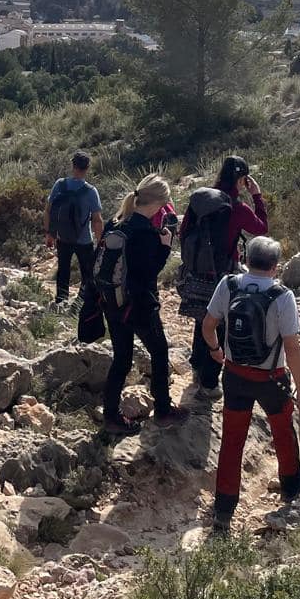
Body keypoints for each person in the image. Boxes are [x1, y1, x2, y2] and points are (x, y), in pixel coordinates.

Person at [203, 236, 300, 532]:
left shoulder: (229, 285)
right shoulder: (282, 295)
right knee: (282, 431)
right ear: (276, 267)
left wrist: (216, 350)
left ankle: (223, 511)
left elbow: (208, 325)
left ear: (244, 258)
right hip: (271, 380)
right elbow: (292, 348)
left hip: (235, 376)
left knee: (232, 441)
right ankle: (291, 486)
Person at [99, 175, 190, 436]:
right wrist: (164, 248)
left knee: (121, 359)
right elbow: (148, 274)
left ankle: (111, 416)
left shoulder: (114, 223)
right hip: (138, 306)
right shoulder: (145, 233)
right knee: (159, 352)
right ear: (161, 203)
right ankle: (162, 410)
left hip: (112, 303)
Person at [184, 156, 271, 402]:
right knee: (220, 324)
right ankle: (209, 383)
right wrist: (257, 196)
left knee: (203, 317)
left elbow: (184, 232)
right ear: (243, 179)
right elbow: (261, 228)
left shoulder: (200, 200)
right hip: (224, 273)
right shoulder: (238, 207)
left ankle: (196, 366)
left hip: (197, 271)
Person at [47, 151, 104, 303]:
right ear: (87, 169)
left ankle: (61, 300)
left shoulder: (60, 185)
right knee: (87, 272)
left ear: (73, 166)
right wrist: (100, 241)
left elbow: (48, 210)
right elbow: (97, 220)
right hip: (84, 240)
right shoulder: (91, 191)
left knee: (63, 269)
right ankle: (81, 302)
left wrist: (49, 233)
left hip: (63, 236)